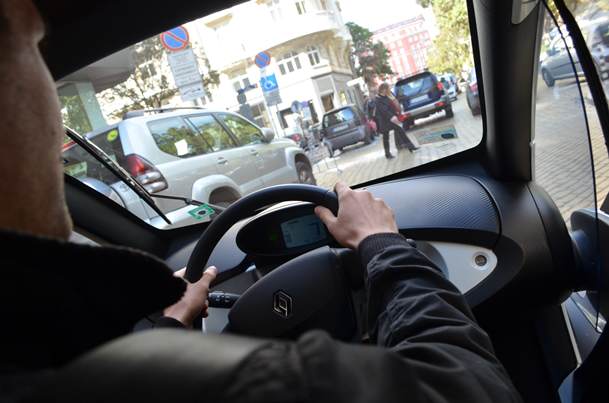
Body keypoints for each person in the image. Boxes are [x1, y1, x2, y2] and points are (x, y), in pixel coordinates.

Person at [1, 1, 522, 402]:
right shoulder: (225, 385)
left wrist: (163, 329)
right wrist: (382, 244)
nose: (57, 129)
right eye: (37, 51)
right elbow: (470, 385)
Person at [375, 83, 417, 159]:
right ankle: (387, 154)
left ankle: (411, 147)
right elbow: (383, 110)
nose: (389, 90)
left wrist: (397, 112)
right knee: (386, 137)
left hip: (392, 118)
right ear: (383, 89)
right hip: (384, 121)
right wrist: (392, 117)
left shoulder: (388, 95)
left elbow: (394, 103)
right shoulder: (377, 99)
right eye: (387, 88)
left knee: (401, 131)